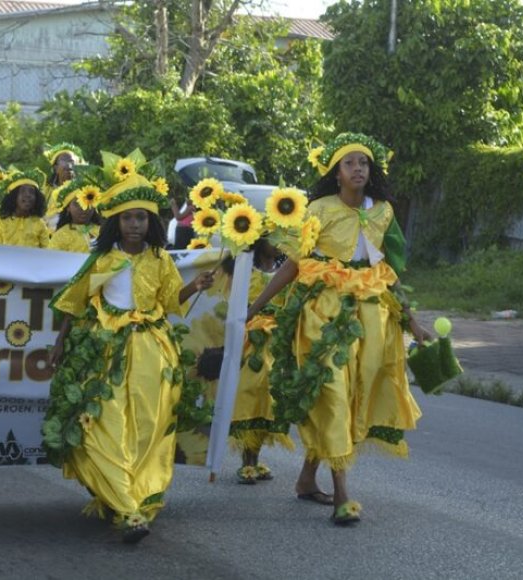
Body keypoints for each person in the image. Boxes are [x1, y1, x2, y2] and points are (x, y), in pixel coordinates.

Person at [248, 133, 429, 525]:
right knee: (332, 391)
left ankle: (306, 480)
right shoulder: (319, 209)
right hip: (324, 313)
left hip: (371, 317)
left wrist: (411, 317)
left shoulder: (382, 211)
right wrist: (256, 306)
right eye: (349, 163)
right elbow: (294, 264)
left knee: (353, 398)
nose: (358, 169)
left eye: (363, 162)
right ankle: (343, 495)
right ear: (336, 172)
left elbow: (386, 269)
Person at [45, 173, 214, 543]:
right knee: (103, 425)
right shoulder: (103, 258)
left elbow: (170, 303)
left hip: (152, 351)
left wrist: (195, 286)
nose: (134, 224)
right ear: (116, 222)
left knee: (147, 426)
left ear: (151, 222)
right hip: (104, 351)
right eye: (127, 217)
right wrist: (60, 342)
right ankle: (124, 505)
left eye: (141, 217)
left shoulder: (159, 259)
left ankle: (132, 498)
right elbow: (74, 300)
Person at [228, 239, 294, 484]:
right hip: (251, 341)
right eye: (273, 237)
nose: (280, 243)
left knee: (270, 398)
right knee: (250, 395)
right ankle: (247, 460)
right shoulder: (244, 267)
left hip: (278, 340)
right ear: (259, 238)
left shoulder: (286, 269)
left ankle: (255, 455)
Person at [0, 168, 50, 248]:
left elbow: (48, 252)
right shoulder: (1, 221)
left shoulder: (39, 223)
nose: (28, 195)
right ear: (14, 196)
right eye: (23, 191)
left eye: (31, 192)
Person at [47, 178, 100, 253]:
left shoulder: (103, 232)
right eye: (77, 204)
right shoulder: (60, 235)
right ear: (68, 207)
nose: (83, 208)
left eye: (87, 202)